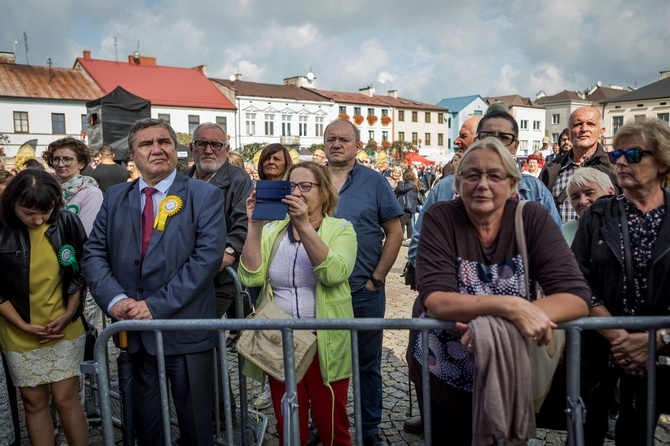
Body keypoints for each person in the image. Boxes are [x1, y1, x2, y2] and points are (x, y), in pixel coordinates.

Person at [407, 137, 590, 444]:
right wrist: (511, 308)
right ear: (458, 183)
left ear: (513, 184)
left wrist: (505, 323)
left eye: (494, 175)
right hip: (445, 372)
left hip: (511, 372)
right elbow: (437, 298)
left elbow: (575, 296)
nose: (482, 184)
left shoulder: (532, 218)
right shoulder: (441, 217)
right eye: (472, 175)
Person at [82, 118, 226, 446]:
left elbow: (205, 261)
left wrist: (154, 306)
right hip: (134, 335)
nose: (157, 149)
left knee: (195, 428)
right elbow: (93, 253)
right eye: (146, 144)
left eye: (165, 142)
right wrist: (115, 299)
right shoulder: (116, 196)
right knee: (145, 428)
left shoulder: (205, 196)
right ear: (132, 154)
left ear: (176, 150)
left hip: (186, 335)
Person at [239, 161, 357, 446]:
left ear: (324, 193)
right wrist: (254, 226)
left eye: (306, 186)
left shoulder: (342, 229)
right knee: (288, 425)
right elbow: (251, 276)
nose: (298, 192)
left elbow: (333, 274)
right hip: (280, 340)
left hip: (324, 340)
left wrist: (304, 225)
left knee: (332, 424)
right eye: (291, 186)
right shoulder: (274, 231)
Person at [572, 118, 670, 445]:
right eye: (617, 156)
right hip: (598, 350)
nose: (622, 162)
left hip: (660, 354)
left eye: (633, 154)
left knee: (638, 434)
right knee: (584, 434)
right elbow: (577, 283)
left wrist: (657, 339)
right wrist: (620, 339)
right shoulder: (599, 214)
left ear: (661, 162)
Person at [325, 118, 403, 446]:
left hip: (363, 291)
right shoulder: (311, 180)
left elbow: (395, 232)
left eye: (344, 139)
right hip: (321, 289)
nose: (337, 144)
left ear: (357, 145)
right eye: (331, 139)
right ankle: (327, 426)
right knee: (323, 363)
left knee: (366, 365)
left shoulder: (374, 182)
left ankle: (369, 429)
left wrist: (377, 279)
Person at [0, 169, 89, 446]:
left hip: (64, 326)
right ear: (12, 203)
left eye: (46, 212)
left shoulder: (68, 222)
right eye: (29, 213)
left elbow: (81, 273)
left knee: (66, 399)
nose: (38, 219)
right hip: (19, 329)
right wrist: (25, 326)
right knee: (33, 401)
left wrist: (68, 314)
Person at [185, 123, 254, 320]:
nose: (208, 150)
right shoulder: (181, 181)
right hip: (184, 277)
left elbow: (245, 221)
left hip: (220, 277)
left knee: (200, 329)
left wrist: (230, 251)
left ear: (226, 149)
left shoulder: (238, 180)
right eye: (201, 144)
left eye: (216, 144)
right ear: (191, 148)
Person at [539, 107, 617, 222]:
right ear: (568, 133)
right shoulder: (552, 169)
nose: (584, 129)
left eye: (591, 124)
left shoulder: (614, 167)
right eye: (577, 124)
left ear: (601, 131)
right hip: (561, 238)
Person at [42, 137, 103, 236]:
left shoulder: (91, 193)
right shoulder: (47, 189)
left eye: (67, 159)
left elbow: (85, 233)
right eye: (56, 159)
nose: (60, 164)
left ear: (81, 164)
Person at [562, 168, 615, 245]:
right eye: (575, 197)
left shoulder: (627, 224)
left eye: (589, 193)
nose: (583, 201)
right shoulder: (562, 233)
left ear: (610, 193)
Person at [395, 169, 420, 242]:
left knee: (401, 222)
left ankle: (399, 238)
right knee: (408, 222)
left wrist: (399, 181)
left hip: (407, 206)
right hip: (409, 206)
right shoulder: (413, 183)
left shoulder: (410, 183)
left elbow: (401, 189)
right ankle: (410, 237)